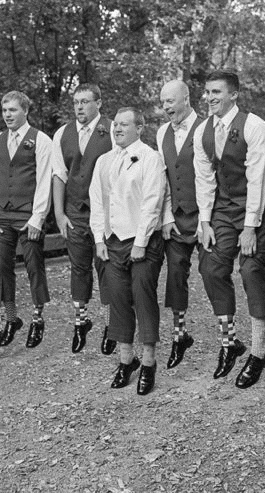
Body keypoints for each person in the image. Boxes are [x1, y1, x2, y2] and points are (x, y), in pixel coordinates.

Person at [193, 69, 265, 389]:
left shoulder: (256, 126)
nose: (210, 98)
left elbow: (257, 179)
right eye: (207, 92)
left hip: (258, 210)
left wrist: (250, 228)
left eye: (217, 92)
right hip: (224, 209)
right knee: (211, 267)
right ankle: (230, 344)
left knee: (250, 269)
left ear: (233, 95)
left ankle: (258, 352)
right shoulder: (203, 131)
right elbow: (204, 179)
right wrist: (204, 222)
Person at [89, 107, 166, 395]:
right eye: (116, 125)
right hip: (112, 241)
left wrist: (141, 242)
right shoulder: (104, 161)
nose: (117, 129)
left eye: (124, 124)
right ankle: (126, 359)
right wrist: (99, 239)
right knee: (118, 299)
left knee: (142, 298)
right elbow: (97, 201)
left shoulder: (150, 157)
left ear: (139, 128)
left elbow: (152, 201)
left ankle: (148, 362)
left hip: (141, 241)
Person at [0, 91, 52, 351]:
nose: (7, 115)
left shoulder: (41, 140)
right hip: (2, 215)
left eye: (12, 110)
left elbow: (45, 179)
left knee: (34, 265)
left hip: (28, 214)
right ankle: (12, 318)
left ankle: (37, 318)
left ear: (25, 111)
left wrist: (37, 218)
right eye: (4, 110)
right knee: (2, 267)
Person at [51, 84, 116, 354]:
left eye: (85, 102)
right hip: (74, 212)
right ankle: (81, 321)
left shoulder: (113, 129)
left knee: (107, 267)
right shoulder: (62, 133)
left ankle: (114, 325)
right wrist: (59, 213)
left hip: (105, 214)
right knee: (78, 268)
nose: (79, 107)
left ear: (98, 103)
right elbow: (59, 174)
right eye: (76, 102)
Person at [155, 79, 205, 369]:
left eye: (170, 101)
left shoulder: (206, 128)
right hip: (175, 216)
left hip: (205, 216)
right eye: (163, 102)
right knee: (175, 274)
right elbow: (162, 180)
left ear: (186, 99)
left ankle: (229, 337)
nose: (165, 107)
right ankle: (179, 334)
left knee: (213, 273)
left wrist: (208, 219)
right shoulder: (161, 132)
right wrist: (166, 217)